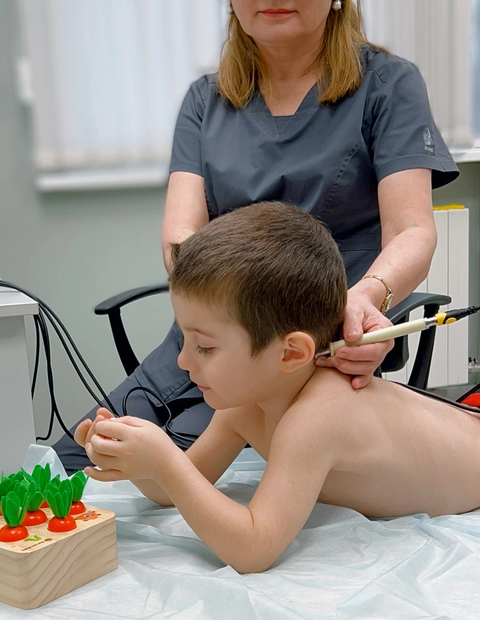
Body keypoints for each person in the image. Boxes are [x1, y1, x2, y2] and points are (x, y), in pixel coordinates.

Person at [54, 0, 458, 473]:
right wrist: (214, 321)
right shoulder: (205, 101)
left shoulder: (388, 88)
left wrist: (364, 298)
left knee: (166, 485)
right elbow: (180, 237)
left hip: (305, 361)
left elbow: (412, 231)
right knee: (73, 467)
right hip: (203, 352)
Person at [76, 202, 480, 574]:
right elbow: (177, 486)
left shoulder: (318, 415)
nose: (183, 361)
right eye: (185, 339)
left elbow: (253, 549)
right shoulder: (244, 406)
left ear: (291, 354)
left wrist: (165, 462)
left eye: (205, 347)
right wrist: (133, 458)